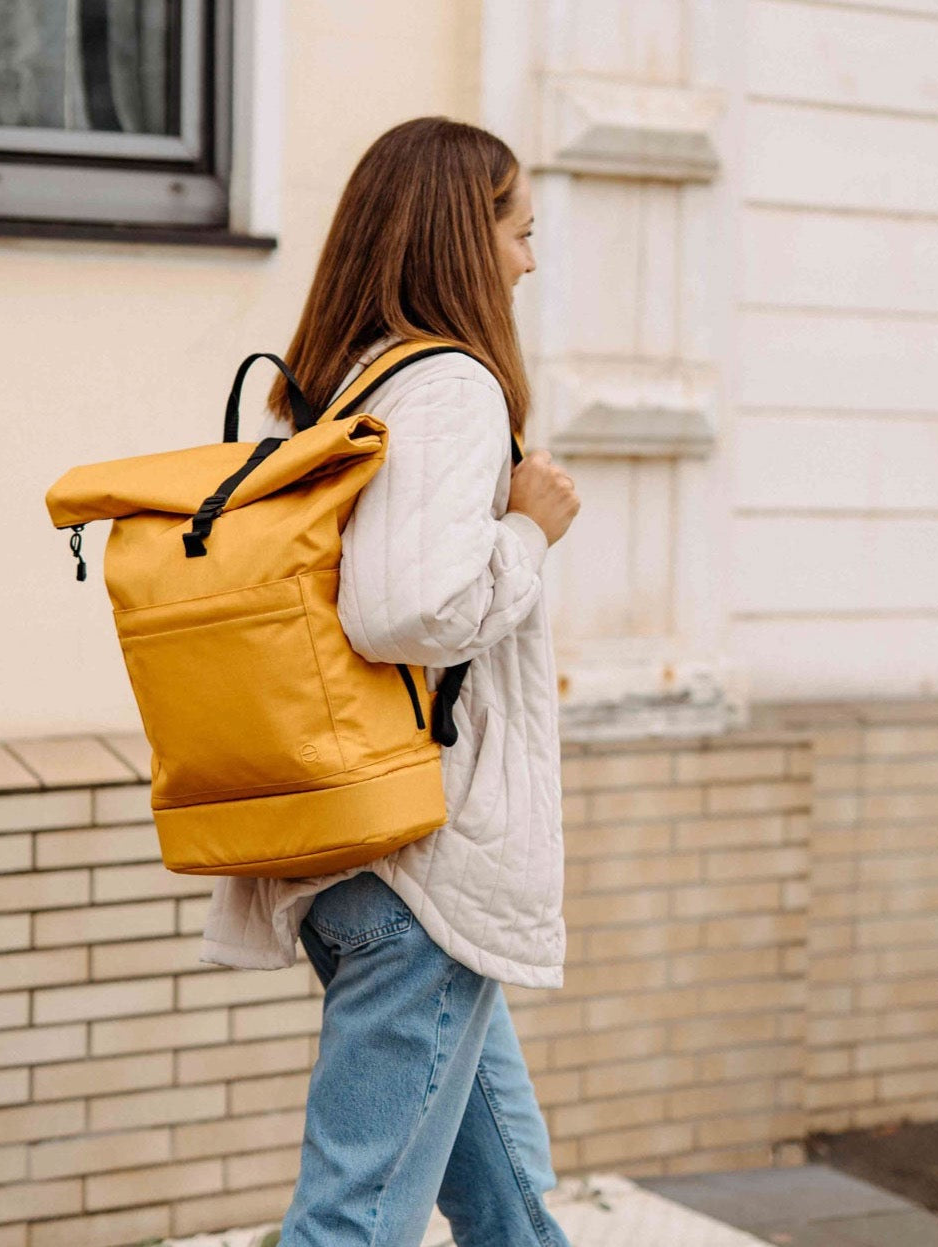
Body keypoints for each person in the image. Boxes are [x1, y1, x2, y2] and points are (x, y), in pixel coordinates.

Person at [199, 116, 580, 1246]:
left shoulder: (351, 380)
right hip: (425, 865)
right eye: (516, 231)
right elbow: (405, 609)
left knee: (505, 1199)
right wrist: (528, 531)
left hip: (365, 854)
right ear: (464, 239)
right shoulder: (450, 385)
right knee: (353, 1221)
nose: (526, 259)